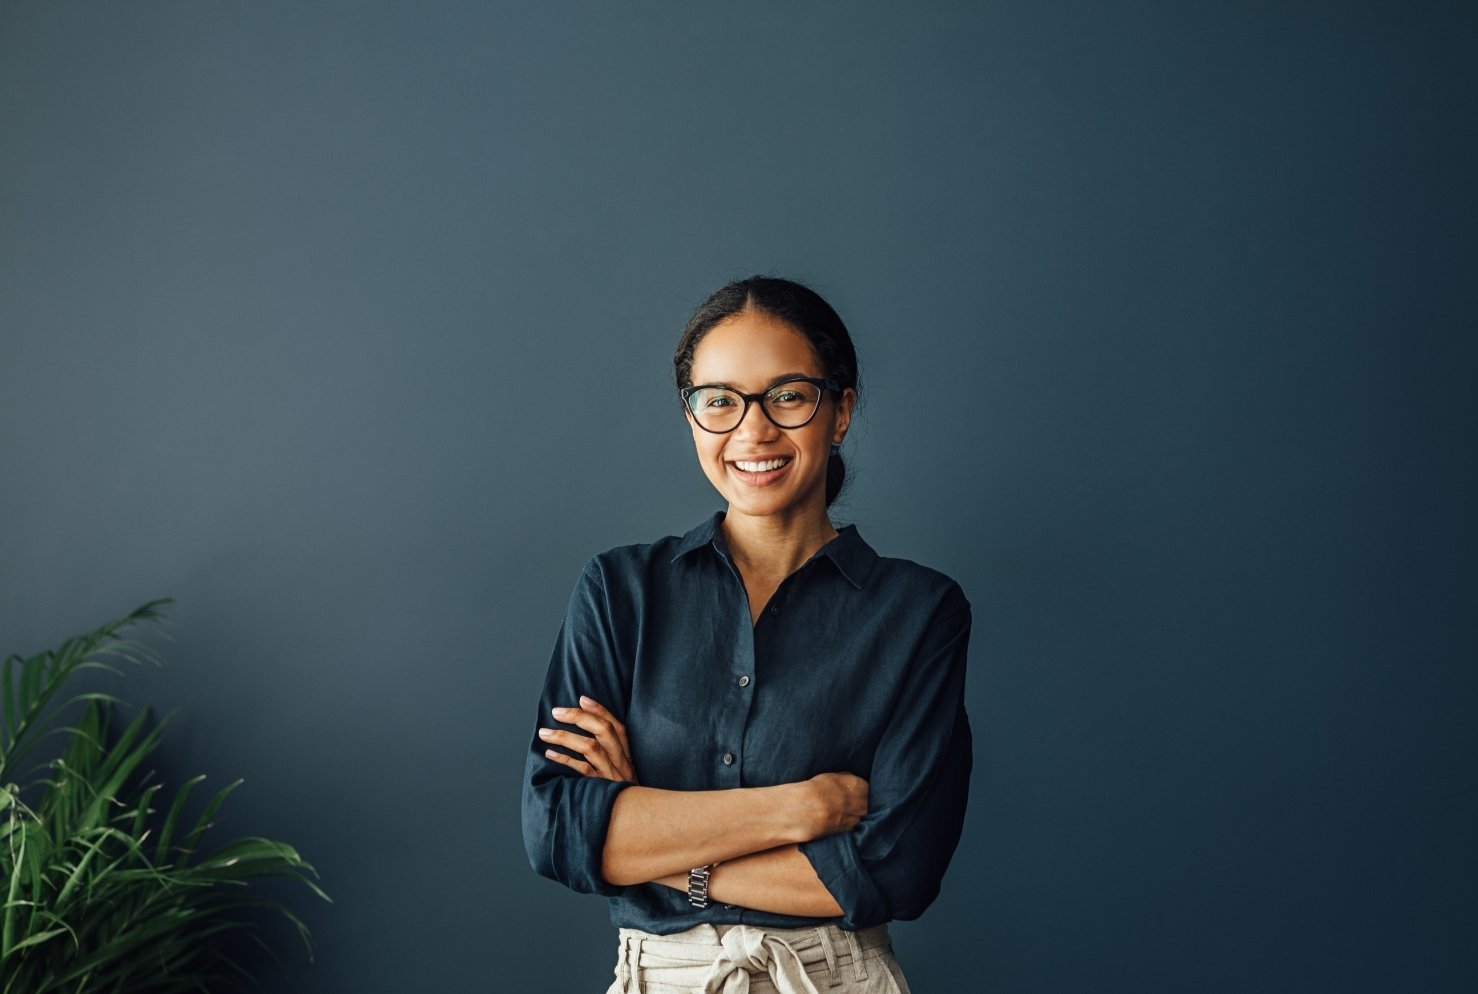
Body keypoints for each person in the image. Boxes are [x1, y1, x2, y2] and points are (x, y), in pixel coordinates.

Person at [522, 276, 972, 994]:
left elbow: (898, 871)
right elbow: (556, 832)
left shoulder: (919, 611)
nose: (752, 430)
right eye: (720, 401)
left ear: (841, 410)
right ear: (693, 417)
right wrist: (803, 809)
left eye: (788, 395)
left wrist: (646, 834)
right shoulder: (619, 591)